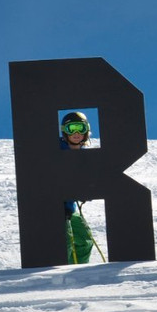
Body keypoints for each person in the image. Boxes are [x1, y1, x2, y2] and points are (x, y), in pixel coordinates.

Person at [61, 111, 95, 264]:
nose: (76, 133)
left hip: (71, 208)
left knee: (84, 239)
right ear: (64, 131)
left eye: (80, 128)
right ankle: (61, 276)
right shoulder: (56, 149)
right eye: (71, 128)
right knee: (65, 243)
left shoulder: (83, 156)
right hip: (55, 206)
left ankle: (79, 273)